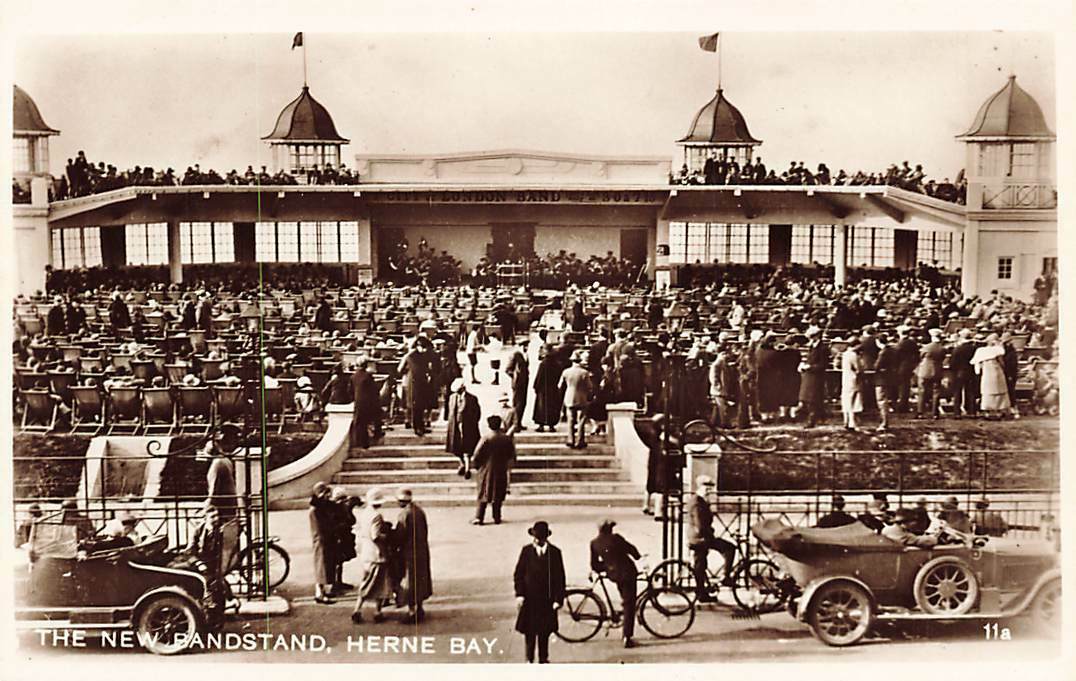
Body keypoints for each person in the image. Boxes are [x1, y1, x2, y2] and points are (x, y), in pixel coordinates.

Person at [513, 521, 566, 664]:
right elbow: (518, 575)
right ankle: (529, 659)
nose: (536, 541)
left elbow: (560, 578)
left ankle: (543, 658)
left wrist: (558, 599)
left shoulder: (555, 553)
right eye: (535, 538)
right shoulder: (526, 551)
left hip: (547, 600)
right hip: (529, 599)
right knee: (529, 632)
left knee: (544, 632)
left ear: (545, 538)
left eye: (539, 538)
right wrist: (519, 594)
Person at [589, 519, 641, 648]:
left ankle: (622, 621)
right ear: (609, 529)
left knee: (625, 599)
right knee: (629, 605)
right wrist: (638, 556)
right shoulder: (616, 538)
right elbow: (631, 550)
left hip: (614, 575)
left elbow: (594, 565)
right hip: (627, 573)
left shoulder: (594, 543)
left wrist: (607, 566)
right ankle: (627, 637)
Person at [685, 475, 736, 602]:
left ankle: (702, 592)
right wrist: (710, 536)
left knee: (701, 564)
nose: (708, 491)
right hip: (700, 538)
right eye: (706, 488)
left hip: (698, 536)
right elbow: (701, 525)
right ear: (699, 487)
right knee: (729, 548)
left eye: (710, 488)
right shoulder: (697, 503)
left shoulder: (699, 500)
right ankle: (725, 577)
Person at [352, 488, 394, 623]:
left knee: (366, 581)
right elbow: (375, 536)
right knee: (380, 583)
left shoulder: (365, 513)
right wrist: (386, 535)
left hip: (366, 552)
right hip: (377, 554)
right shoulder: (377, 516)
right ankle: (377, 611)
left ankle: (358, 609)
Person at [393, 488, 432, 623]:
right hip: (422, 550)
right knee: (420, 579)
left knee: (410, 581)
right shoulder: (419, 511)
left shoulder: (404, 514)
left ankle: (412, 612)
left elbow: (400, 535)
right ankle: (420, 607)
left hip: (409, 551)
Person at [471, 415, 516, 525]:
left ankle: (479, 517)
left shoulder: (486, 438)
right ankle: (497, 517)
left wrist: (477, 466)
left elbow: (477, 454)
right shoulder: (506, 439)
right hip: (501, 469)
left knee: (483, 492)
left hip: (486, 469)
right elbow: (512, 455)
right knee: (498, 493)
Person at [445, 377, 481, 478]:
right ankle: (462, 464)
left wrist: (472, 423)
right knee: (456, 447)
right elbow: (450, 412)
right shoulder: (452, 398)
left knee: (467, 448)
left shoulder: (472, 398)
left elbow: (477, 413)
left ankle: (467, 469)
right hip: (455, 426)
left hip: (468, 427)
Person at [971, 334, 1011, 419]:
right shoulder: (996, 350)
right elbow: (1002, 362)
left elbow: (978, 364)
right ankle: (998, 410)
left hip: (987, 372)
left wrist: (979, 371)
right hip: (996, 371)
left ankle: (988, 411)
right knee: (998, 390)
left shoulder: (981, 351)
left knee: (988, 391)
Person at [309, 482, 336, 604]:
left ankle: (322, 591)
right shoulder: (315, 510)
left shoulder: (319, 507)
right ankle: (319, 593)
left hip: (323, 539)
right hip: (321, 540)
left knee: (323, 565)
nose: (327, 496)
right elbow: (320, 527)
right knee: (321, 566)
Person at [559, 351, 592, 449]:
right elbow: (589, 386)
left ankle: (571, 439)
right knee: (581, 420)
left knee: (570, 419)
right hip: (582, 397)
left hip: (569, 396)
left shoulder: (566, 372)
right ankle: (580, 440)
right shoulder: (584, 372)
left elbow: (560, 385)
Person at [798, 326, 827, 427]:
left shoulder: (823, 348)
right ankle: (821, 417)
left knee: (813, 399)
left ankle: (812, 420)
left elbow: (823, 364)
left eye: (812, 336)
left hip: (816, 376)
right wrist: (803, 365)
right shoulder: (812, 346)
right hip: (809, 375)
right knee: (810, 398)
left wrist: (810, 367)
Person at [350, 356, 383, 449]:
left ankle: (360, 442)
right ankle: (375, 436)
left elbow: (351, 391)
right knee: (375, 417)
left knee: (360, 422)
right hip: (369, 402)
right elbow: (374, 390)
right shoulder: (368, 376)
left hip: (358, 402)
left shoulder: (353, 377)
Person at [330, 487, 357, 593]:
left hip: (344, 537)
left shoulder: (343, 508)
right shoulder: (333, 510)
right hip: (337, 537)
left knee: (340, 561)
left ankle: (339, 582)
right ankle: (334, 584)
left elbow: (352, 520)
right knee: (336, 561)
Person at [916, 328, 946, 418]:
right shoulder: (942, 348)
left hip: (925, 371)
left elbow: (920, 356)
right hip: (937, 371)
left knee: (922, 391)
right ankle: (935, 413)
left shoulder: (927, 347)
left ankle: (920, 412)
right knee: (936, 392)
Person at [504, 340, 530, 430]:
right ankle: (515, 424)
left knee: (523, 403)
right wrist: (515, 376)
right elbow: (507, 369)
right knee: (517, 404)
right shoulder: (515, 355)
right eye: (525, 346)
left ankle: (519, 422)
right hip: (518, 383)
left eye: (527, 346)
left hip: (524, 382)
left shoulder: (525, 355)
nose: (526, 348)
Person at [840, 341, 862, 431]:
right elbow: (858, 368)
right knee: (853, 401)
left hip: (845, 379)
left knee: (846, 400)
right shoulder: (853, 355)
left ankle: (846, 421)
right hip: (852, 378)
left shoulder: (844, 354)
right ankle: (852, 423)